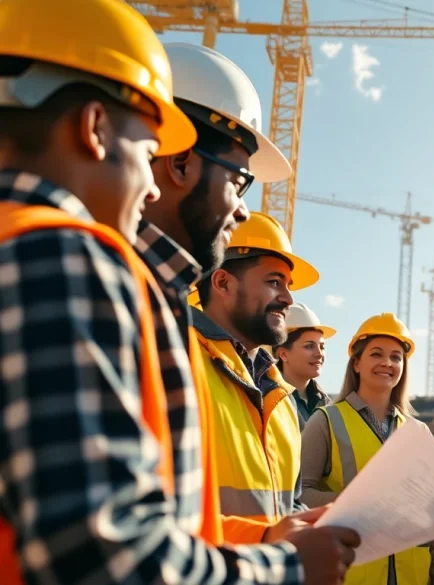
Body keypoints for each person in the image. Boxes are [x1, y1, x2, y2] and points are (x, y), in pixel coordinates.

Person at [0, 2, 357, 584]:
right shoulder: (61, 255)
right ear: (94, 129)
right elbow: (103, 554)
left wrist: (265, 536)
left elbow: (154, 519)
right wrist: (285, 569)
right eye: (147, 152)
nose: (244, 210)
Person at [136, 40, 361, 581]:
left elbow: (179, 527)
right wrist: (277, 561)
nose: (241, 208)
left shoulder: (279, 397)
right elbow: (115, 547)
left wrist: (270, 537)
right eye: (239, 181)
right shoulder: (157, 333)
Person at [192, 211, 321, 545]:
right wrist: (264, 539)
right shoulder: (180, 361)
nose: (289, 299)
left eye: (288, 286)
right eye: (274, 282)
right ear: (222, 283)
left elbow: (285, 506)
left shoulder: (280, 395)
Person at [299, 312, 434, 584]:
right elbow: (299, 497)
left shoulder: (419, 432)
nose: (387, 362)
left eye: (396, 357)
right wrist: (358, 502)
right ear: (357, 363)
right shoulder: (325, 421)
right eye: (377, 354)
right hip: (351, 575)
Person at [276, 303, 336, 431]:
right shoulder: (267, 400)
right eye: (309, 346)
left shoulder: (328, 405)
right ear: (283, 354)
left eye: (322, 346)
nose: (319, 353)